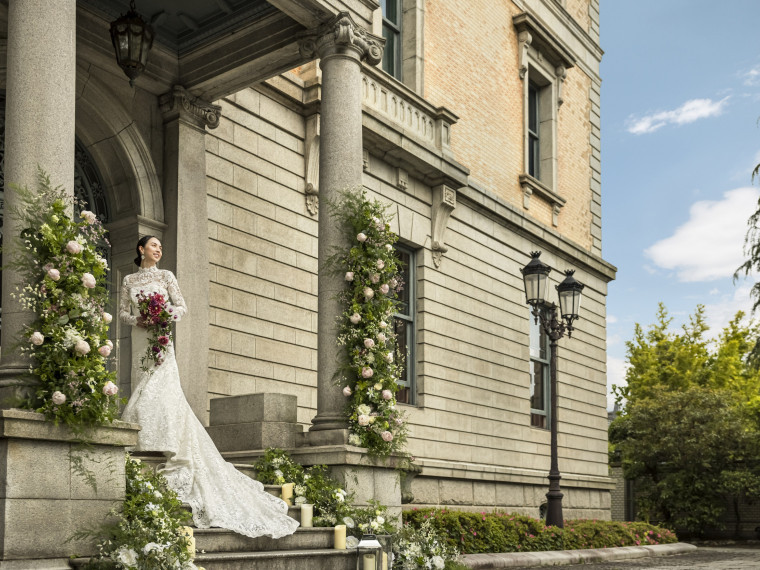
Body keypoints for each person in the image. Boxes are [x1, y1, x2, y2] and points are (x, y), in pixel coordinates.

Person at [119, 235, 299, 539]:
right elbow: (123, 313)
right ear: (141, 249)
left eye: (161, 245)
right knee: (144, 382)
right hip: (141, 339)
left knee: (160, 385)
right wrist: (140, 320)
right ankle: (146, 431)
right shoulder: (128, 280)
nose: (159, 249)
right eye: (154, 245)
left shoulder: (166, 276)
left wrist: (161, 315)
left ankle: (162, 435)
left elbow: (182, 307)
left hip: (162, 338)